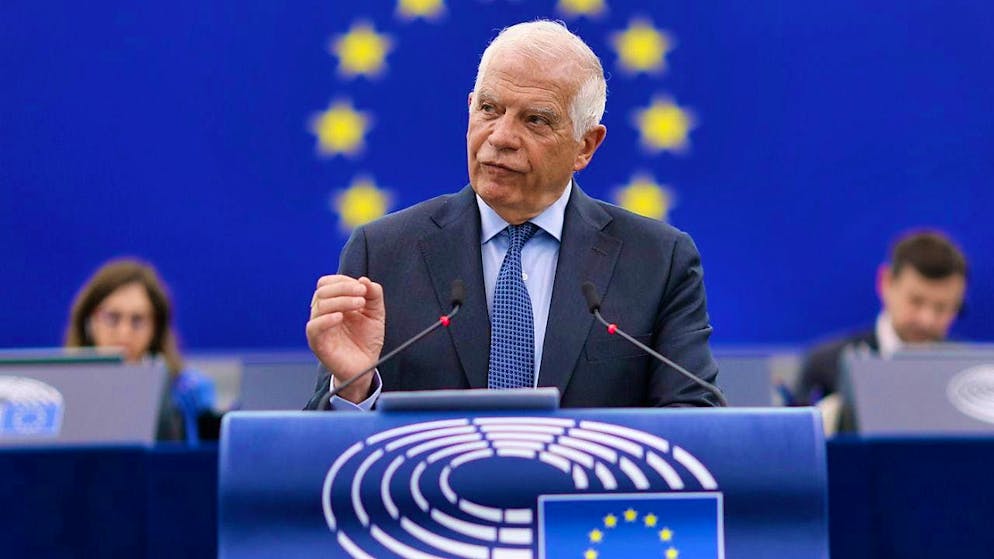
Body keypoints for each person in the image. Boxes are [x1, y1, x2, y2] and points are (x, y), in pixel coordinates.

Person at [305, 20, 721, 410]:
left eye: (535, 119)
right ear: (470, 108)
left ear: (585, 146)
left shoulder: (658, 261)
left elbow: (696, 424)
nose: (501, 137)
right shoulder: (382, 254)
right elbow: (319, 450)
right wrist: (355, 386)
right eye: (489, 109)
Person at [795, 230, 968, 424]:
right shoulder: (827, 366)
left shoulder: (969, 373)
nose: (926, 320)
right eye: (916, 301)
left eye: (942, 307)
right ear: (885, 282)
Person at [65, 258, 219, 442]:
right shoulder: (61, 391)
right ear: (89, 322)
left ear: (155, 328)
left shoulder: (187, 392)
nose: (124, 332)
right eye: (113, 317)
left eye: (137, 320)